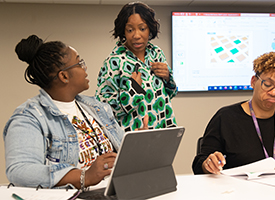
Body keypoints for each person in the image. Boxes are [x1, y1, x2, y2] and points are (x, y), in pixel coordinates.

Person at [3, 35, 146, 190]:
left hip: (117, 191)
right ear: (64, 76)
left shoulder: (97, 108)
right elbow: (19, 171)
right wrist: (84, 176)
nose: (85, 68)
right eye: (80, 63)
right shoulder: (29, 117)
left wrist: (135, 144)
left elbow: (118, 155)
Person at [192, 52, 275, 175]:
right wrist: (209, 164)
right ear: (253, 81)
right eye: (268, 85)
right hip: (233, 191)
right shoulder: (225, 118)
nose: (274, 92)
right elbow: (199, 165)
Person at [95, 2, 177, 132]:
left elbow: (170, 94)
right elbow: (103, 109)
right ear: (123, 31)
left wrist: (168, 78)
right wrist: (133, 91)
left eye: (142, 28)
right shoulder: (114, 61)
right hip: (130, 138)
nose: (136, 35)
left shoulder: (157, 53)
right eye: (130, 30)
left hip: (162, 131)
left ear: (150, 29)